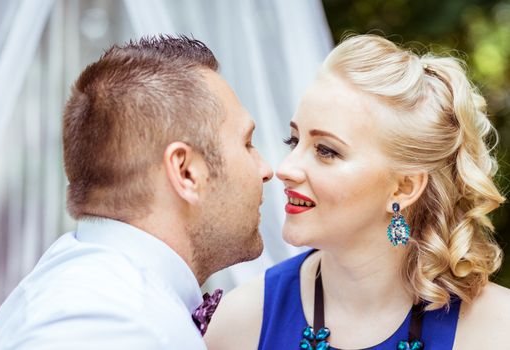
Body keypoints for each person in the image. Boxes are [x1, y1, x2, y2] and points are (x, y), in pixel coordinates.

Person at [205, 34, 510, 350]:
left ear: (404, 187)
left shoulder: (498, 331)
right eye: (294, 142)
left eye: (325, 150)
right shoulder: (240, 324)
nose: (286, 169)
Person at [0, 35, 273, 349]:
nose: (267, 170)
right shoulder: (117, 326)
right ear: (186, 171)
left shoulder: (91, 283)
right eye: (247, 144)